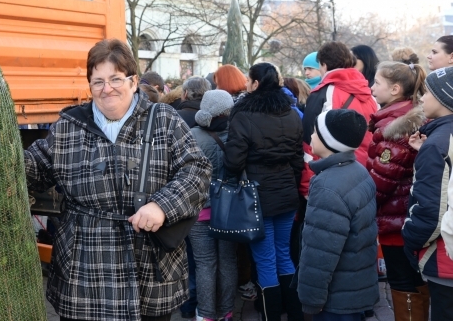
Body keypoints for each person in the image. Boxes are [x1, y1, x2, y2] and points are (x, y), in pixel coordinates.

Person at [24, 39, 212, 321]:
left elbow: (197, 170)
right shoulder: (69, 127)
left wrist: (161, 206)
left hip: (149, 269)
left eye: (115, 78)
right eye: (97, 81)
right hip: (84, 272)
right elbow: (34, 167)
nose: (106, 88)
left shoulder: (163, 119)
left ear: (133, 81)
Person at [224, 63, 304, 321]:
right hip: (286, 194)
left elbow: (234, 162)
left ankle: (271, 316)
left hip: (256, 198)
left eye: (249, 80)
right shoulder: (291, 114)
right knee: (284, 254)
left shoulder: (244, 114)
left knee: (265, 259)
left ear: (256, 83)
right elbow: (297, 160)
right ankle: (295, 314)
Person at [298, 109, 379, 321]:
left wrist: (311, 299)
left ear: (329, 140)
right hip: (354, 288)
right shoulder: (358, 171)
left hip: (335, 299)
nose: (311, 136)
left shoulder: (327, 186)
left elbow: (321, 252)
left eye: (316, 132)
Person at [367, 61, 429, 319]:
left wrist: (364, 205)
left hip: (396, 220)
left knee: (403, 280)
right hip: (404, 215)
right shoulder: (402, 117)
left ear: (394, 89)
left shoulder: (395, 127)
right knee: (414, 279)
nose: (372, 87)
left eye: (377, 83)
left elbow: (381, 182)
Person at [403, 67, 453, 321]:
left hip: (446, 257)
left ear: (445, 97)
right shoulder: (439, 141)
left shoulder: (437, 145)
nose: (422, 98)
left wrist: (410, 242)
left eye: (428, 92)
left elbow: (431, 212)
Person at [188, 90, 237, 321]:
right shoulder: (236, 136)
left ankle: (205, 314)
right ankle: (226, 311)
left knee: (205, 264)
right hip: (229, 210)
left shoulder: (191, 136)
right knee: (228, 261)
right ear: (227, 111)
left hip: (199, 210)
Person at [302, 41, 378, 166]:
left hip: (333, 166)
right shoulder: (370, 93)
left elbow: (309, 140)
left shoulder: (322, 93)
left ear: (324, 65)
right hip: (365, 166)